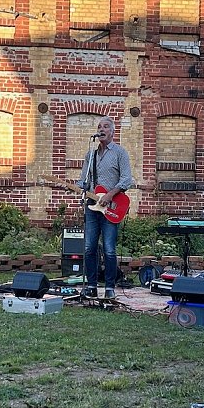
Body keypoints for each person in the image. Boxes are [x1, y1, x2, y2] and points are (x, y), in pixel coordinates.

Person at [77, 116, 134, 299]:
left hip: (112, 207)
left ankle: (110, 287)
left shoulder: (120, 153)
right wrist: (76, 186)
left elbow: (127, 179)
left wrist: (110, 195)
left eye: (106, 127)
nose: (101, 129)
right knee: (89, 248)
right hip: (92, 207)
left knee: (109, 249)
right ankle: (91, 286)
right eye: (99, 127)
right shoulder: (90, 154)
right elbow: (83, 180)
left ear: (112, 131)